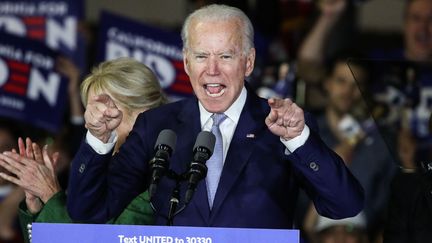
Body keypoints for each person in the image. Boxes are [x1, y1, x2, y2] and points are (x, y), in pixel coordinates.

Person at [66, 4, 364, 228]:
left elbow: (345, 205)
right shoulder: (157, 125)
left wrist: (299, 141)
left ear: (248, 63)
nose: (212, 70)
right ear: (185, 62)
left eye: (225, 56)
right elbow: (88, 211)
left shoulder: (281, 126)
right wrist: (98, 141)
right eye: (200, 56)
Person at [0, 57, 168, 242]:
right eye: (91, 114)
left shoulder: (162, 172)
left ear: (141, 111)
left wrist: (50, 196)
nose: (94, 125)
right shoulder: (104, 170)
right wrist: (38, 208)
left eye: (103, 114)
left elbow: (101, 239)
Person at [299, 56, 396, 242]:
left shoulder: (383, 143)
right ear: (327, 83)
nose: (348, 92)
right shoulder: (301, 134)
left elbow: (390, 206)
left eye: (356, 85)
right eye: (341, 81)